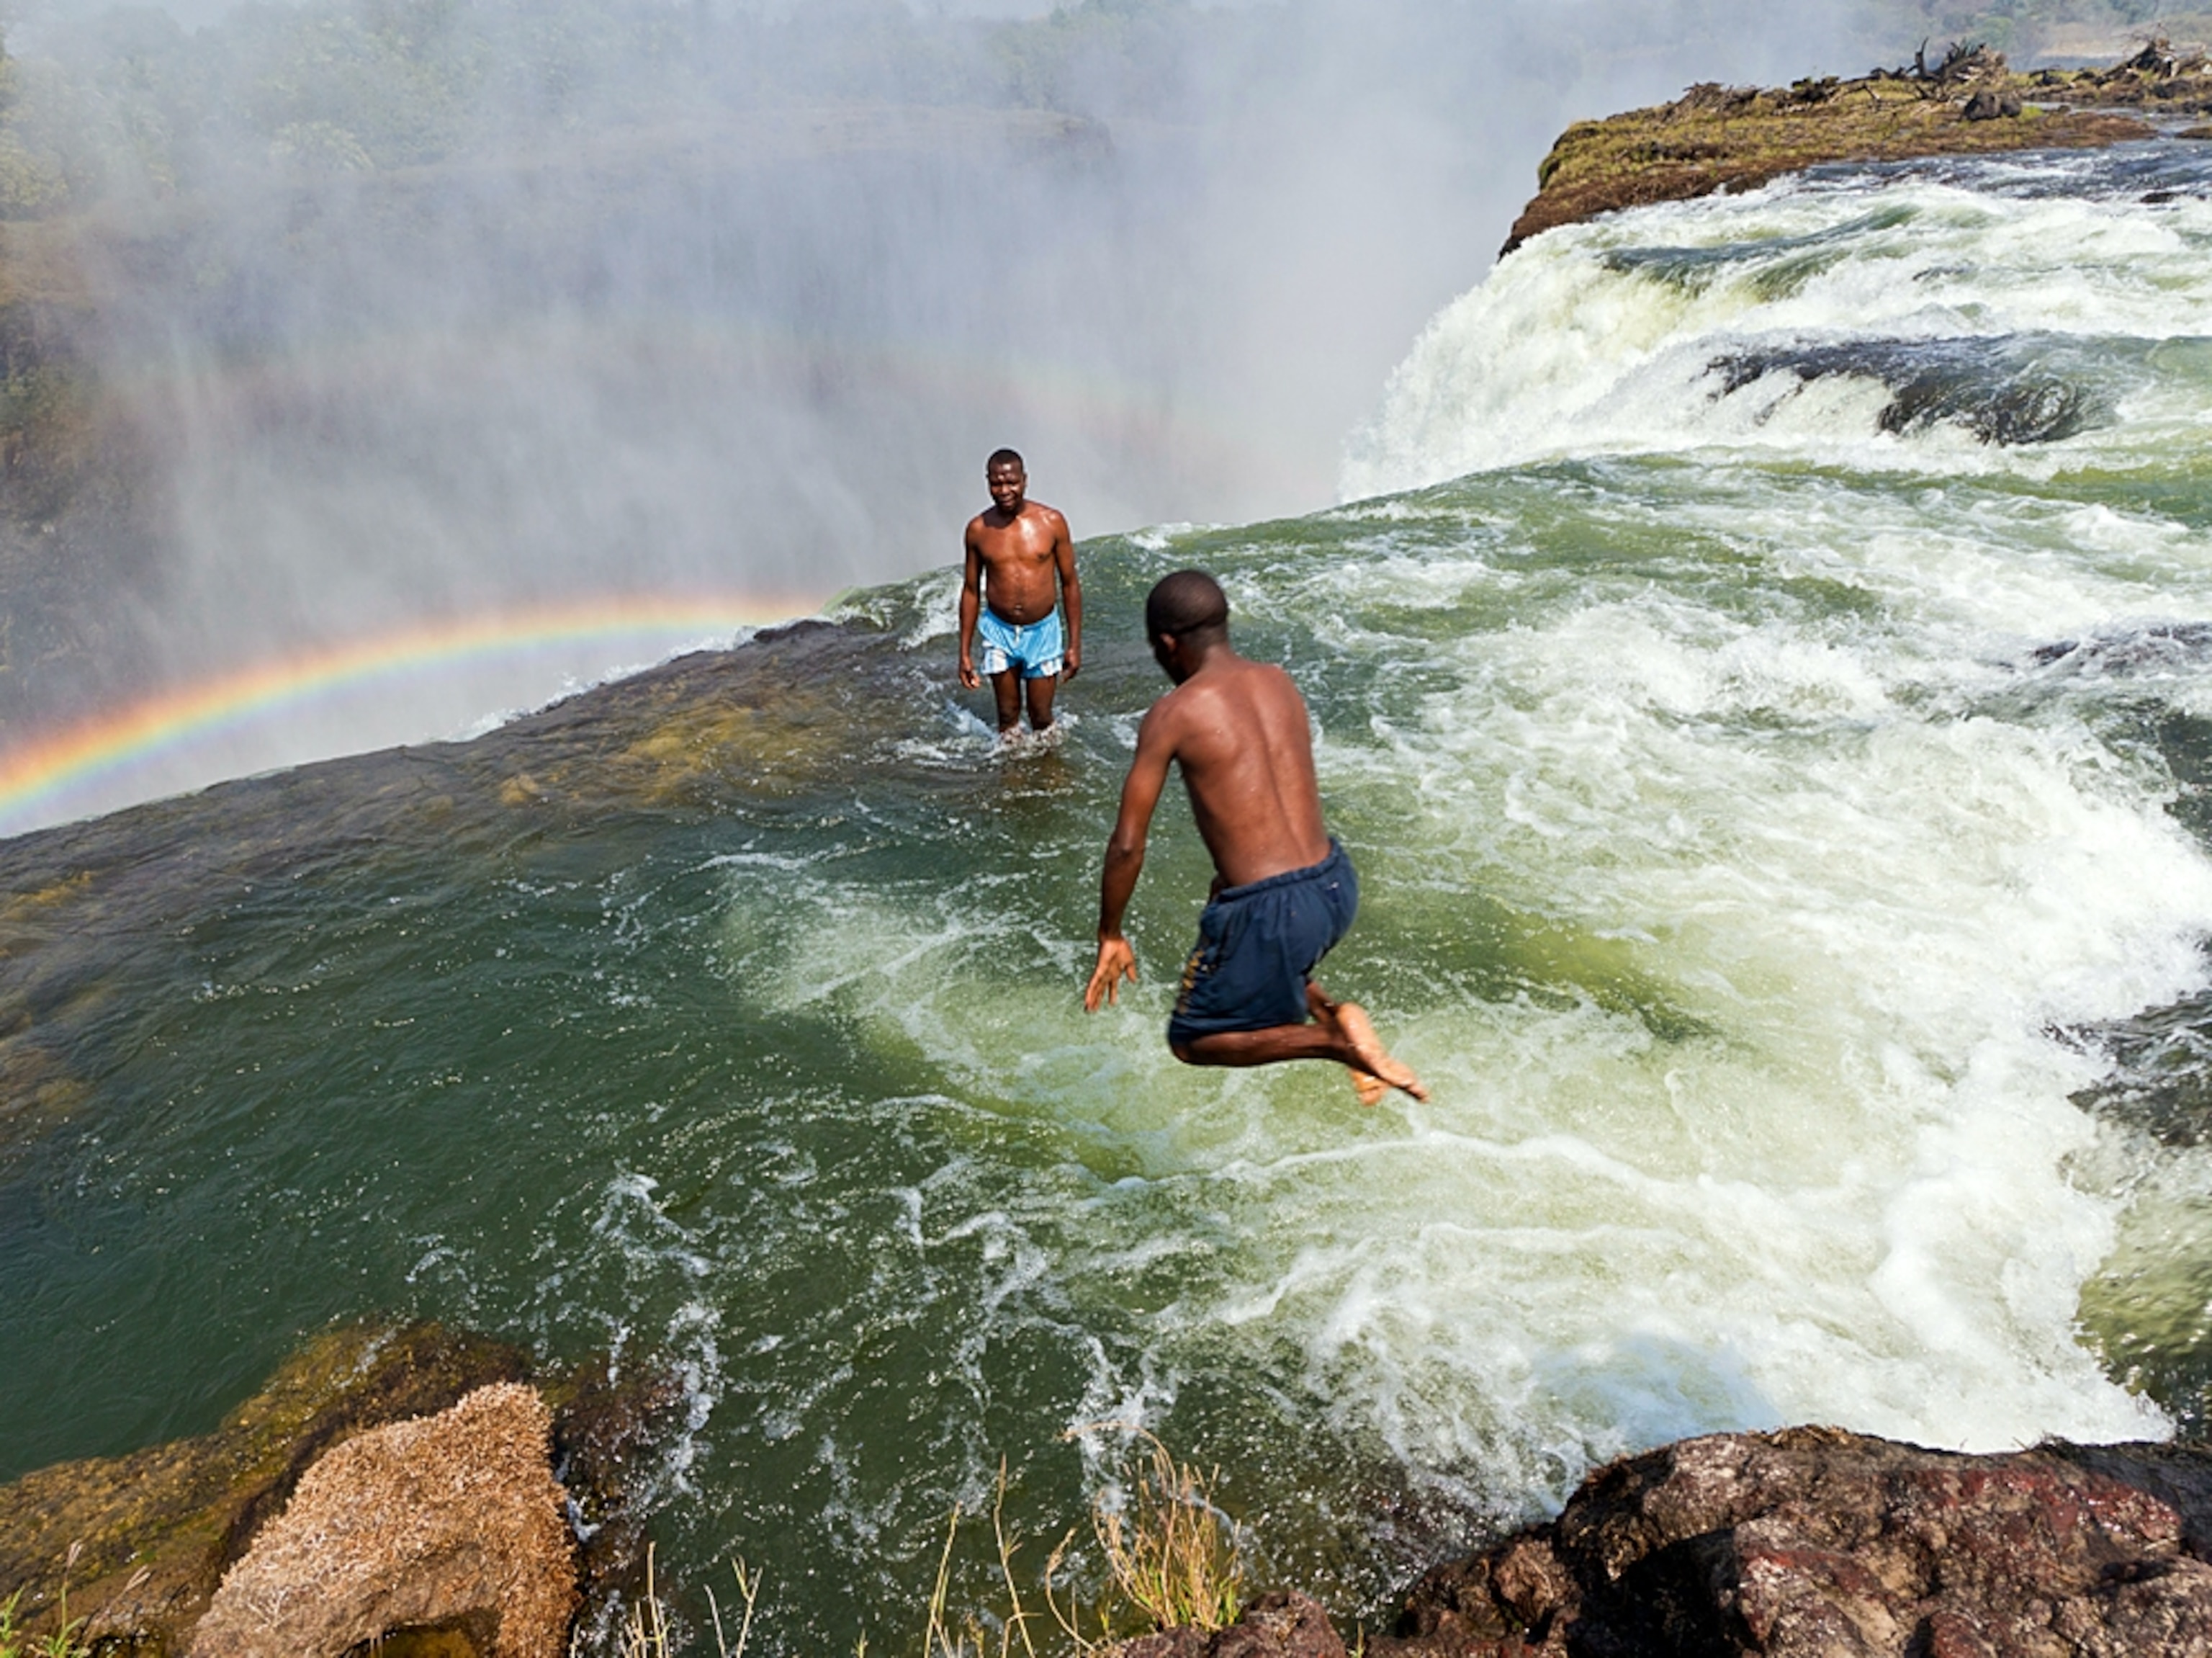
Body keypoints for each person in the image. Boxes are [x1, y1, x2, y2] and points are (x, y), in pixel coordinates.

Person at [1083, 570, 1426, 1105]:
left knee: (1194, 1038)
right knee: (1243, 921)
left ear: (1168, 644)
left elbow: (1128, 842)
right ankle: (1334, 1014)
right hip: (1335, 885)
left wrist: (1111, 932)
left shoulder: (1173, 714)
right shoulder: (1278, 680)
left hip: (1275, 908)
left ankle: (1336, 1042)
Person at [959, 449, 1082, 736]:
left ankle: (1050, 776)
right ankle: (1011, 779)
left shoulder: (1052, 522)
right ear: (987, 482)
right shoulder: (978, 530)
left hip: (1043, 631)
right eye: (996, 483)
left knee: (1041, 717)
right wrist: (964, 653)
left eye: (1011, 482)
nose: (1004, 491)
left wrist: (1074, 644)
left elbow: (1070, 583)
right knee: (1007, 717)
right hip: (999, 631)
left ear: (1025, 480)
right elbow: (970, 590)